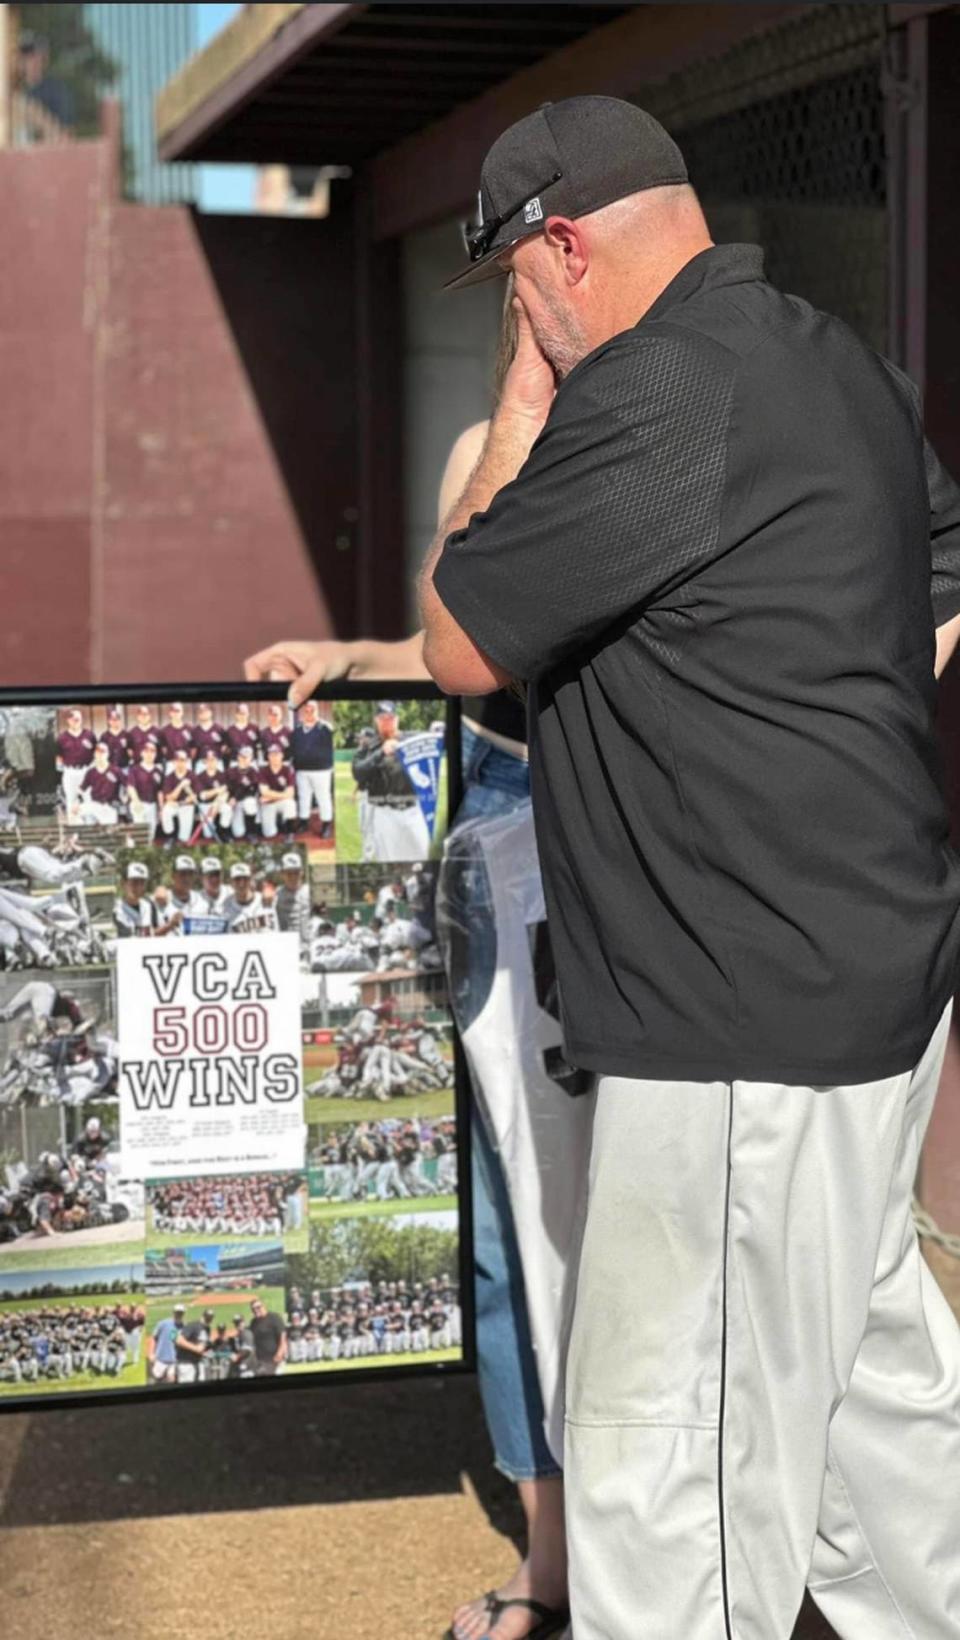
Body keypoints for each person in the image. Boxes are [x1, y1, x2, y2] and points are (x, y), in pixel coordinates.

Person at [418, 94, 960, 1640]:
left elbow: (461, 633)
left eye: (512, 287)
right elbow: (941, 562)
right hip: (873, 994)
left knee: (678, 1494)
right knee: (874, 1430)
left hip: (734, 1022)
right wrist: (813, 731)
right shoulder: (833, 360)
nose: (516, 318)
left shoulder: (651, 390)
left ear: (563, 247)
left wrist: (521, 405)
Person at [245, 287, 569, 1640]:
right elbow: (453, 657)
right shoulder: (482, 448)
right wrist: (347, 657)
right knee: (509, 1216)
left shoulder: (692, 431)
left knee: (654, 1208)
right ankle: (553, 1566)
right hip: (507, 821)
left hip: (663, 834)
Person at [290, 700, 334, 838]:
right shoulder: (297, 730)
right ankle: (304, 822)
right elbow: (292, 749)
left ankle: (326, 824)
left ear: (317, 711)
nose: (309, 713)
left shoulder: (326, 728)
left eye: (312, 710)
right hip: (302, 770)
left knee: (323, 798)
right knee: (304, 797)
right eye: (306, 711)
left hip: (321, 770)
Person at [249, 1296, 287, 1376]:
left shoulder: (274, 1318)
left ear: (264, 1306)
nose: (256, 1310)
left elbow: (282, 1337)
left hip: (274, 1358)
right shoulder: (253, 1322)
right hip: (260, 1360)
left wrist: (279, 1354)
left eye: (258, 1307)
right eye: (253, 1309)